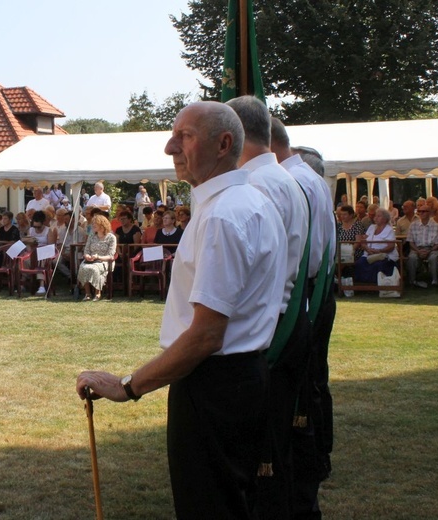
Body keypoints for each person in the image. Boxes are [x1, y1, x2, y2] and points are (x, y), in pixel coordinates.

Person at [77, 101, 287, 520]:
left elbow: (207, 334)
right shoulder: (242, 203)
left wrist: (129, 385)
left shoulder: (225, 214)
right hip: (239, 379)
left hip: (215, 386)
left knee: (210, 507)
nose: (170, 146)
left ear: (224, 143)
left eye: (185, 136)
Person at [227, 95, 310, 520]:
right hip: (286, 317)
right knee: (274, 440)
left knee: (264, 452)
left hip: (269, 327)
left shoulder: (258, 185)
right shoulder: (285, 178)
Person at [271, 117, 336, 520]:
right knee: (312, 384)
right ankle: (313, 456)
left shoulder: (294, 181)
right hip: (317, 293)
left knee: (303, 391)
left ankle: (306, 462)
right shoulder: (308, 179)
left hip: (304, 296)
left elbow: (301, 258)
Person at [77, 214, 117, 302]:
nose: (93, 225)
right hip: (91, 260)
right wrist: (87, 256)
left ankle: (98, 293)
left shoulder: (111, 238)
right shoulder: (91, 236)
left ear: (102, 224)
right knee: (83, 267)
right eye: (93, 223)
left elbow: (111, 255)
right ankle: (87, 293)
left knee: (95, 269)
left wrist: (98, 257)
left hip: (105, 261)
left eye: (95, 223)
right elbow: (86, 250)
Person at [354, 208, 399, 283]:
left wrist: (379, 251)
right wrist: (367, 248)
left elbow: (391, 246)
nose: (376, 218)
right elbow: (363, 240)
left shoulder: (389, 229)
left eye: (379, 216)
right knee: (360, 263)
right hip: (369, 254)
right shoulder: (371, 227)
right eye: (376, 216)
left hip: (383, 255)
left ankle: (376, 284)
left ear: (385, 219)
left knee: (377, 265)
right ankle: (363, 284)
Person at [406, 205, 438, 288]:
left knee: (434, 257)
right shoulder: (413, 225)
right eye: (419, 211)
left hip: (432, 249)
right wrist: (418, 251)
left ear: (429, 213)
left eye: (424, 211)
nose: (421, 213)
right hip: (416, 249)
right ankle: (412, 281)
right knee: (412, 257)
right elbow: (411, 242)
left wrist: (429, 251)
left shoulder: (436, 226)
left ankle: (435, 281)